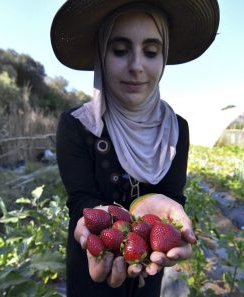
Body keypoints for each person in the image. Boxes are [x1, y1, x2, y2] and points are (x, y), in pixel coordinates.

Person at [51, 0, 219, 296]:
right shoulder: (78, 125)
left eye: (151, 52)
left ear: (163, 57)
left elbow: (173, 196)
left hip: (149, 269)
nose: (137, 66)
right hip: (94, 265)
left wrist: (166, 210)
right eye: (119, 50)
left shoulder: (176, 128)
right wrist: (93, 216)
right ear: (101, 53)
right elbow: (80, 200)